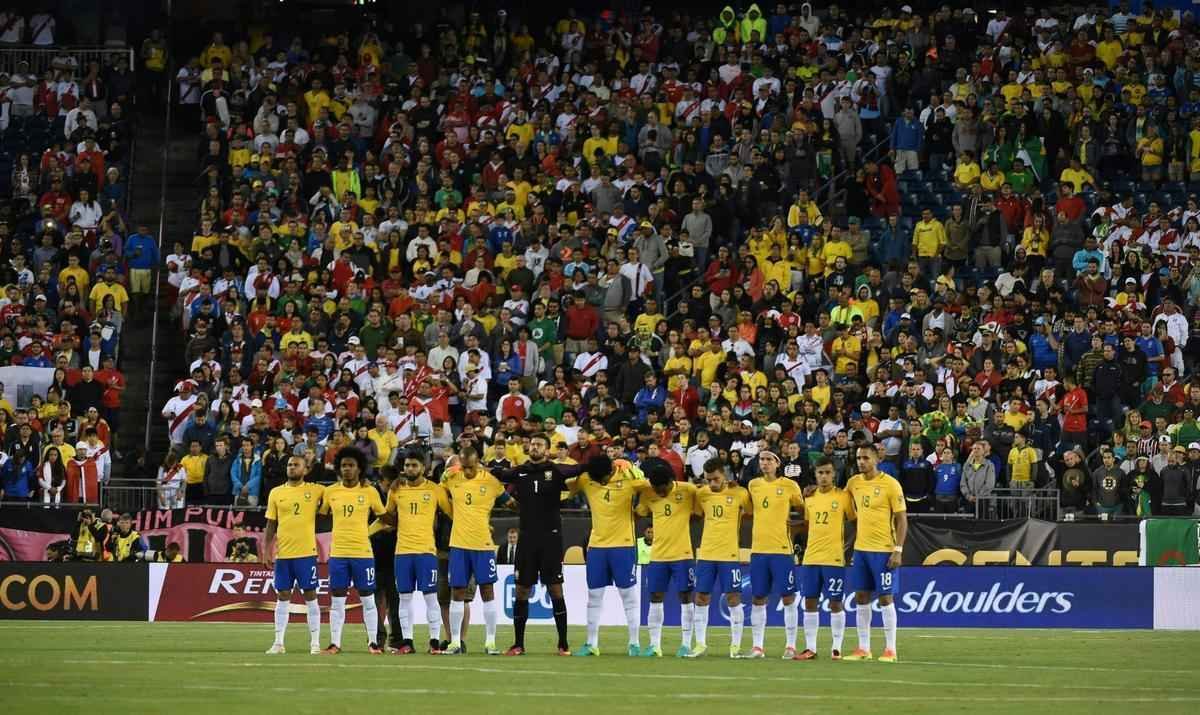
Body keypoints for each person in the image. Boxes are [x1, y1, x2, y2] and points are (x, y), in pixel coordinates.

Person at [492, 433, 583, 655]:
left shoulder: (557, 470)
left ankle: (563, 644)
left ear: (547, 449)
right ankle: (518, 644)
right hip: (526, 539)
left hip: (551, 538)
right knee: (522, 590)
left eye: (539, 445)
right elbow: (497, 474)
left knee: (555, 589)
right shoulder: (519, 471)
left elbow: (580, 470)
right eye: (532, 444)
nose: (534, 447)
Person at [566, 452, 652, 656]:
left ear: (611, 470)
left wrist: (640, 509)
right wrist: (578, 471)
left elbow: (651, 486)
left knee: (628, 596)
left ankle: (634, 643)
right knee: (594, 596)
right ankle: (591, 643)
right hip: (596, 546)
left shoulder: (629, 478)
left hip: (623, 545)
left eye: (602, 479)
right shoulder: (588, 478)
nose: (600, 483)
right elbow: (567, 485)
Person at [318, 446, 386, 654]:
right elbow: (321, 516)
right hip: (338, 554)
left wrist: (367, 532)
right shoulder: (330, 492)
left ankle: (373, 643)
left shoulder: (369, 491)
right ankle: (335, 643)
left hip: (363, 554)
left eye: (351, 465)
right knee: (337, 600)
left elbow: (383, 520)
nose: (346, 469)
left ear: (360, 468)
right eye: (343, 465)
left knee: (368, 599)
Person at [382, 450, 450, 654]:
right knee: (404, 598)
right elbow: (387, 517)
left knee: (431, 598)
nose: (410, 469)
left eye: (414, 465)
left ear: (424, 468)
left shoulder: (435, 490)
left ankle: (434, 642)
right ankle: (407, 642)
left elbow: (452, 513)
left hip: (427, 552)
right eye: (407, 465)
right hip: (402, 552)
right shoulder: (396, 490)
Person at [843, 445, 907, 663]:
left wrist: (897, 550)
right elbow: (842, 503)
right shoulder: (853, 483)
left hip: (883, 551)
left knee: (885, 598)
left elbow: (902, 520)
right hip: (861, 550)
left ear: (876, 459)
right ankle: (864, 648)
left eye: (865, 458)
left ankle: (890, 649)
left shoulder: (890, 484)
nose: (861, 462)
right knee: (861, 597)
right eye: (859, 458)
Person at [442, 445, 505, 655]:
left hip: (483, 545)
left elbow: (510, 502)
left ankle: (491, 642)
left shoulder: (491, 481)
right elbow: (439, 490)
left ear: (478, 462)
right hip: (459, 545)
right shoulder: (451, 477)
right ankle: (455, 643)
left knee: (487, 591)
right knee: (457, 592)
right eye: (464, 466)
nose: (467, 470)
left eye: (470, 466)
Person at [263, 454, 326, 655]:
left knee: (310, 595)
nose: (291, 468)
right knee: (282, 595)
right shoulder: (276, 493)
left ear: (305, 469)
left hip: (306, 553)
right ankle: (278, 642)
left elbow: (337, 494)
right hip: (283, 554)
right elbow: (271, 524)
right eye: (289, 465)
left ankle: (315, 643)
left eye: (296, 465)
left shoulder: (316, 490)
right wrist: (266, 550)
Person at [637, 457, 699, 658]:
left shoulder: (688, 490)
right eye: (655, 489)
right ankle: (655, 645)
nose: (659, 493)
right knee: (655, 597)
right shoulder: (648, 493)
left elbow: (700, 511)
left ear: (670, 482)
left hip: (683, 554)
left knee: (686, 597)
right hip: (658, 556)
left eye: (661, 489)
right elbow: (640, 511)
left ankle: (685, 644)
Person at [746, 449, 805, 658]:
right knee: (758, 598)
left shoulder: (789, 485)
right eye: (761, 459)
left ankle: (790, 646)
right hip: (759, 550)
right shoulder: (753, 485)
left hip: (782, 550)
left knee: (788, 598)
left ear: (777, 463)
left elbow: (804, 509)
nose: (764, 463)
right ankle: (757, 647)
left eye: (769, 459)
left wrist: (798, 526)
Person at [691, 457, 751, 658]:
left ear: (723, 474)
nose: (712, 484)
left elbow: (751, 512)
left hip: (729, 555)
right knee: (701, 597)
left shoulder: (740, 493)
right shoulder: (702, 494)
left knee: (734, 598)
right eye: (708, 480)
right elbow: (697, 515)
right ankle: (700, 644)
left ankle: (735, 647)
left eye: (715, 479)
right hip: (706, 554)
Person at [796, 457, 853, 660]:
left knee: (835, 603)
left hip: (834, 559)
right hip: (811, 558)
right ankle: (810, 648)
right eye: (820, 473)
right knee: (810, 602)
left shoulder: (844, 497)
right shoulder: (809, 498)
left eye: (828, 472)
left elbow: (854, 522)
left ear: (834, 474)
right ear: (815, 475)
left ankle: (836, 647)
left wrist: (849, 550)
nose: (824, 476)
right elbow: (807, 526)